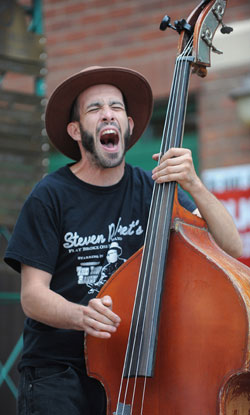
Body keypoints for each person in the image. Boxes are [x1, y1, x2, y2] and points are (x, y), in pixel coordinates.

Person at [4, 66, 242, 415]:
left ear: (128, 125)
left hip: (130, 367)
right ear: (75, 130)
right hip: (58, 370)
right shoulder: (49, 196)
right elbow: (33, 296)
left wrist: (195, 185)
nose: (107, 114)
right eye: (94, 108)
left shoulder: (153, 191)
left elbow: (230, 247)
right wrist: (81, 315)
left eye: (116, 107)